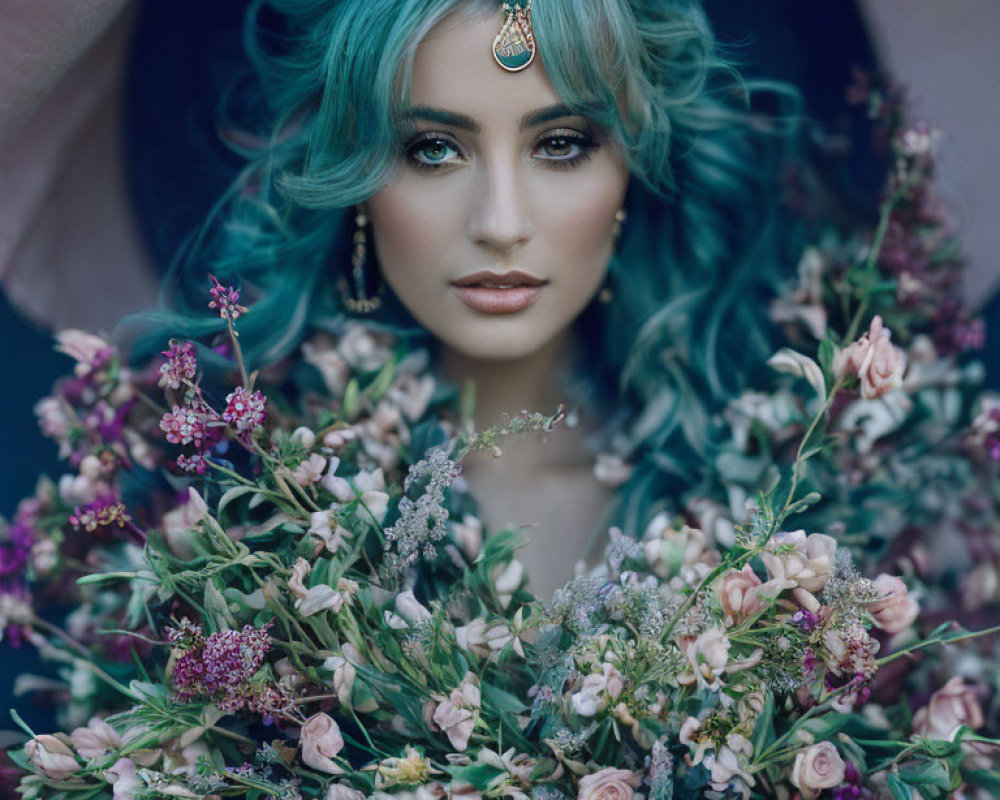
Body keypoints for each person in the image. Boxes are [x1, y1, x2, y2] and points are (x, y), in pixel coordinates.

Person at [117, 0, 814, 599]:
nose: (501, 224)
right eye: (432, 149)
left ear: (631, 170)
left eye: (562, 144)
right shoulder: (248, 512)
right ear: (354, 184)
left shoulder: (785, 501)